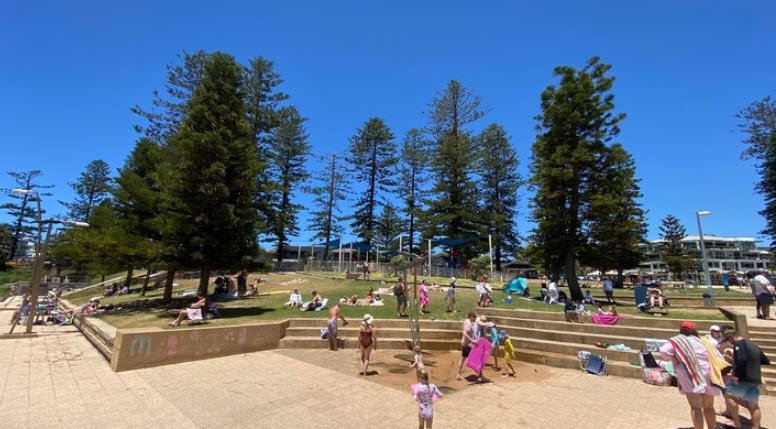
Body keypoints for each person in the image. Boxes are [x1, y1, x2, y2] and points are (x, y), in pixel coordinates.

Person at [658, 321, 721, 429]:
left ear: (681, 330)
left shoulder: (678, 340)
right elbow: (717, 355)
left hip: (691, 375)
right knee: (709, 406)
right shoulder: (703, 340)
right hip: (708, 372)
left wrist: (674, 359)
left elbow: (663, 351)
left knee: (695, 407)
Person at [723, 329, 770, 429]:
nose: (729, 342)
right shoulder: (753, 345)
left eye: (728, 339)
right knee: (754, 405)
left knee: (728, 395)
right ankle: (755, 427)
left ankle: (737, 424)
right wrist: (752, 364)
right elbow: (765, 360)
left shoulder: (739, 344)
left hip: (743, 378)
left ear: (731, 336)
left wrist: (736, 376)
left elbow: (741, 360)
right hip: (755, 379)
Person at [456, 312, 479, 381]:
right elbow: (465, 333)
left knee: (463, 359)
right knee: (476, 358)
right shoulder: (468, 323)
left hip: (466, 344)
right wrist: (472, 340)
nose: (475, 319)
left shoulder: (467, 321)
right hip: (468, 344)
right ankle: (480, 375)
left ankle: (458, 374)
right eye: (474, 317)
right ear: (471, 316)